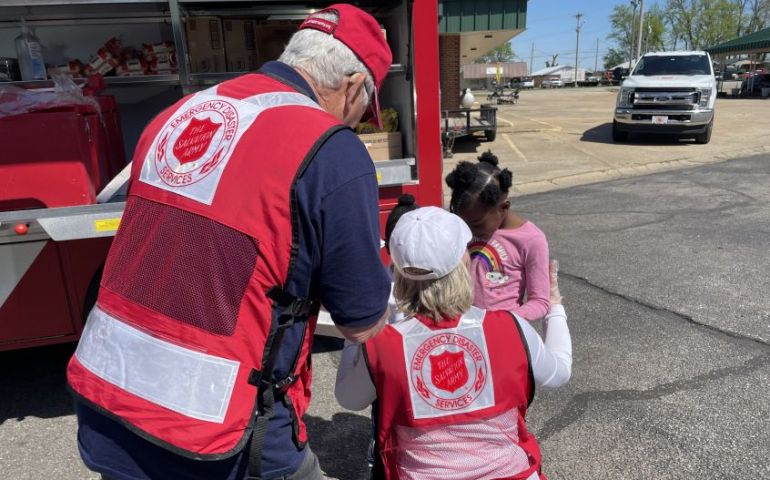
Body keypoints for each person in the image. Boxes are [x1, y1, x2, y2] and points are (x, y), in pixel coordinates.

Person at [66, 5, 393, 480]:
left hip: (109, 401)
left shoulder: (181, 113)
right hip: (224, 434)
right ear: (352, 87)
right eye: (365, 110)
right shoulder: (331, 148)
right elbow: (361, 323)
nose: (359, 121)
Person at [335, 206, 572, 480]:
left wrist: (355, 335)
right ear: (464, 262)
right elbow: (560, 372)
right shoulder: (510, 326)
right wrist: (554, 307)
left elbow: (349, 399)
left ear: (397, 271)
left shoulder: (382, 345)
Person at [445, 151, 550, 321]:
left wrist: (499, 321)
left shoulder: (531, 240)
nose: (468, 230)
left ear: (503, 207)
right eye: (462, 222)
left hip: (503, 333)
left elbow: (540, 302)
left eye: (476, 223)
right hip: (461, 330)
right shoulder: (461, 227)